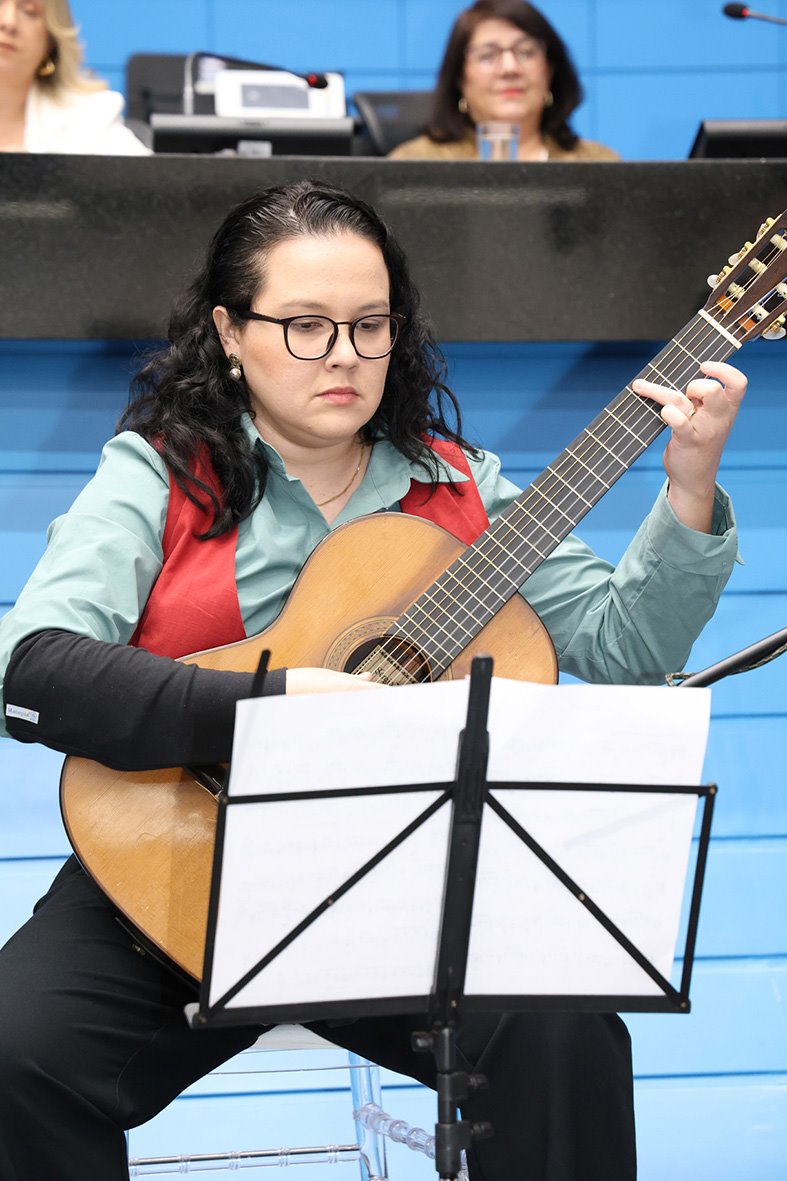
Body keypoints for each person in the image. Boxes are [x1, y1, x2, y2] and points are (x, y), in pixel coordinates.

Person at [0, 178, 744, 1180]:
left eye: (369, 324)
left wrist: (688, 485)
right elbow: (36, 669)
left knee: (564, 1030)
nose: (344, 353)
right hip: (173, 879)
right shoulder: (156, 473)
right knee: (14, 1052)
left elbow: (623, 649)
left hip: (409, 894)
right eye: (305, 325)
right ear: (229, 330)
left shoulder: (461, 485)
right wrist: (272, 706)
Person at [389, 0, 619, 162]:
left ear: (550, 70)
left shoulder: (599, 164)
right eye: (487, 56)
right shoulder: (412, 165)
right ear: (459, 78)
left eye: (526, 53)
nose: (510, 69)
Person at [0, 0, 149, 153]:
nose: (9, 22)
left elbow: (148, 168)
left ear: (50, 42)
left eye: (29, 11)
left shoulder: (89, 117)